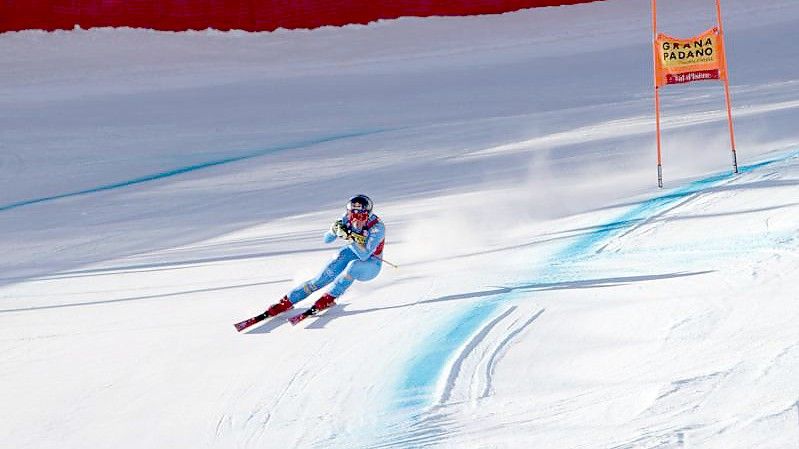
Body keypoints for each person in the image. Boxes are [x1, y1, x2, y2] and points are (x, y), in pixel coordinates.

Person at [264, 194, 385, 317]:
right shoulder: (346, 218)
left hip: (371, 263)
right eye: (352, 212)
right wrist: (333, 230)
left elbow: (364, 255)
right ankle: (288, 301)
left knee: (353, 266)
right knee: (321, 278)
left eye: (359, 213)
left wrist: (349, 236)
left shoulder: (377, 226)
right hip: (352, 252)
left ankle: (329, 297)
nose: (355, 218)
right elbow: (327, 240)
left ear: (367, 213)